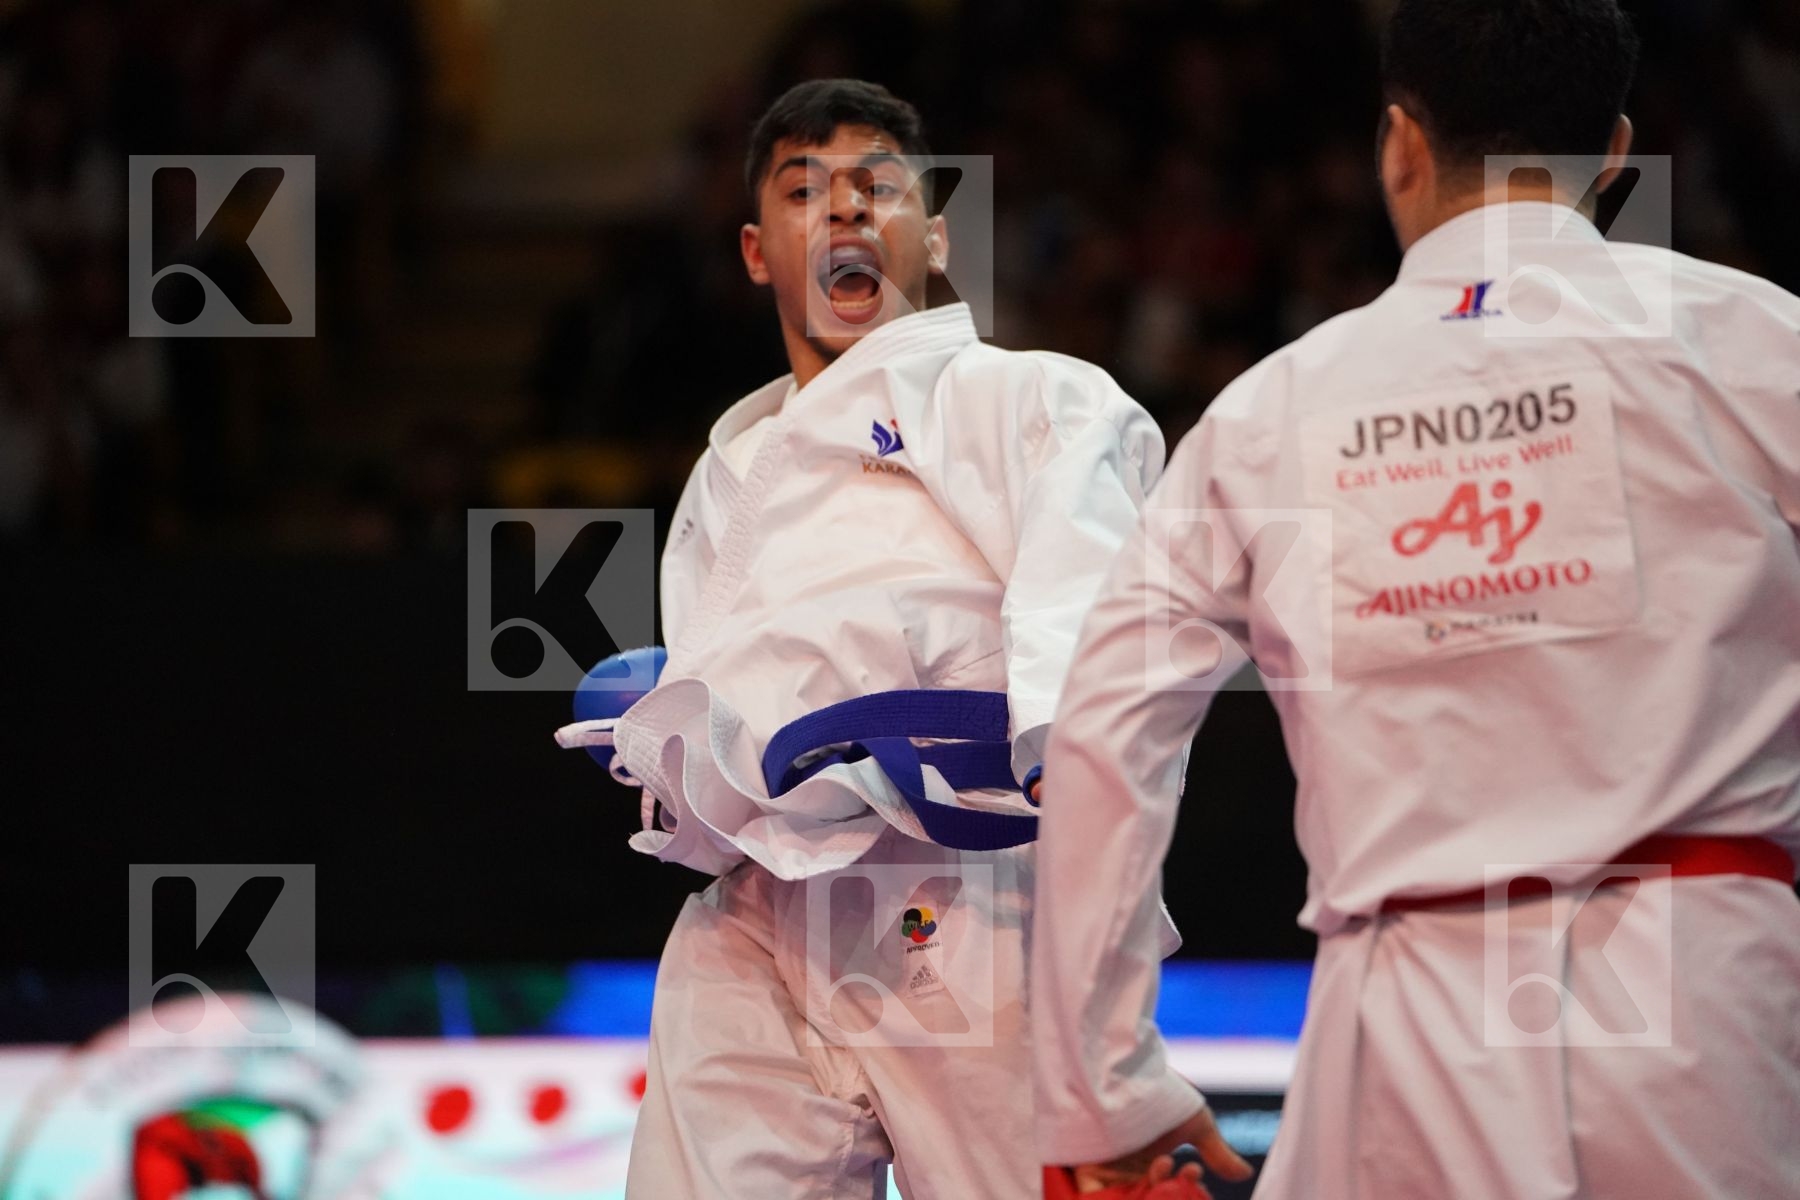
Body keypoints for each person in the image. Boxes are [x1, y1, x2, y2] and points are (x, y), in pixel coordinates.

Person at [1029, 1, 1800, 1197]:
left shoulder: (1269, 412)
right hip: (1711, 997)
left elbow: (1105, 741)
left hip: (1402, 1028)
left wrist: (1103, 1089)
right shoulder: (1754, 343)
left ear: (1398, 144)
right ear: (1612, 153)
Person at [584, 79, 1206, 1198]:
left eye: (878, 186)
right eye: (803, 191)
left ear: (938, 232)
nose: (844, 212)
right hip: (757, 914)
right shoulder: (728, 464)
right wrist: (673, 749)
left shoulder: (1035, 401)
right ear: (754, 251)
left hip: (970, 902)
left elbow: (1097, 675)